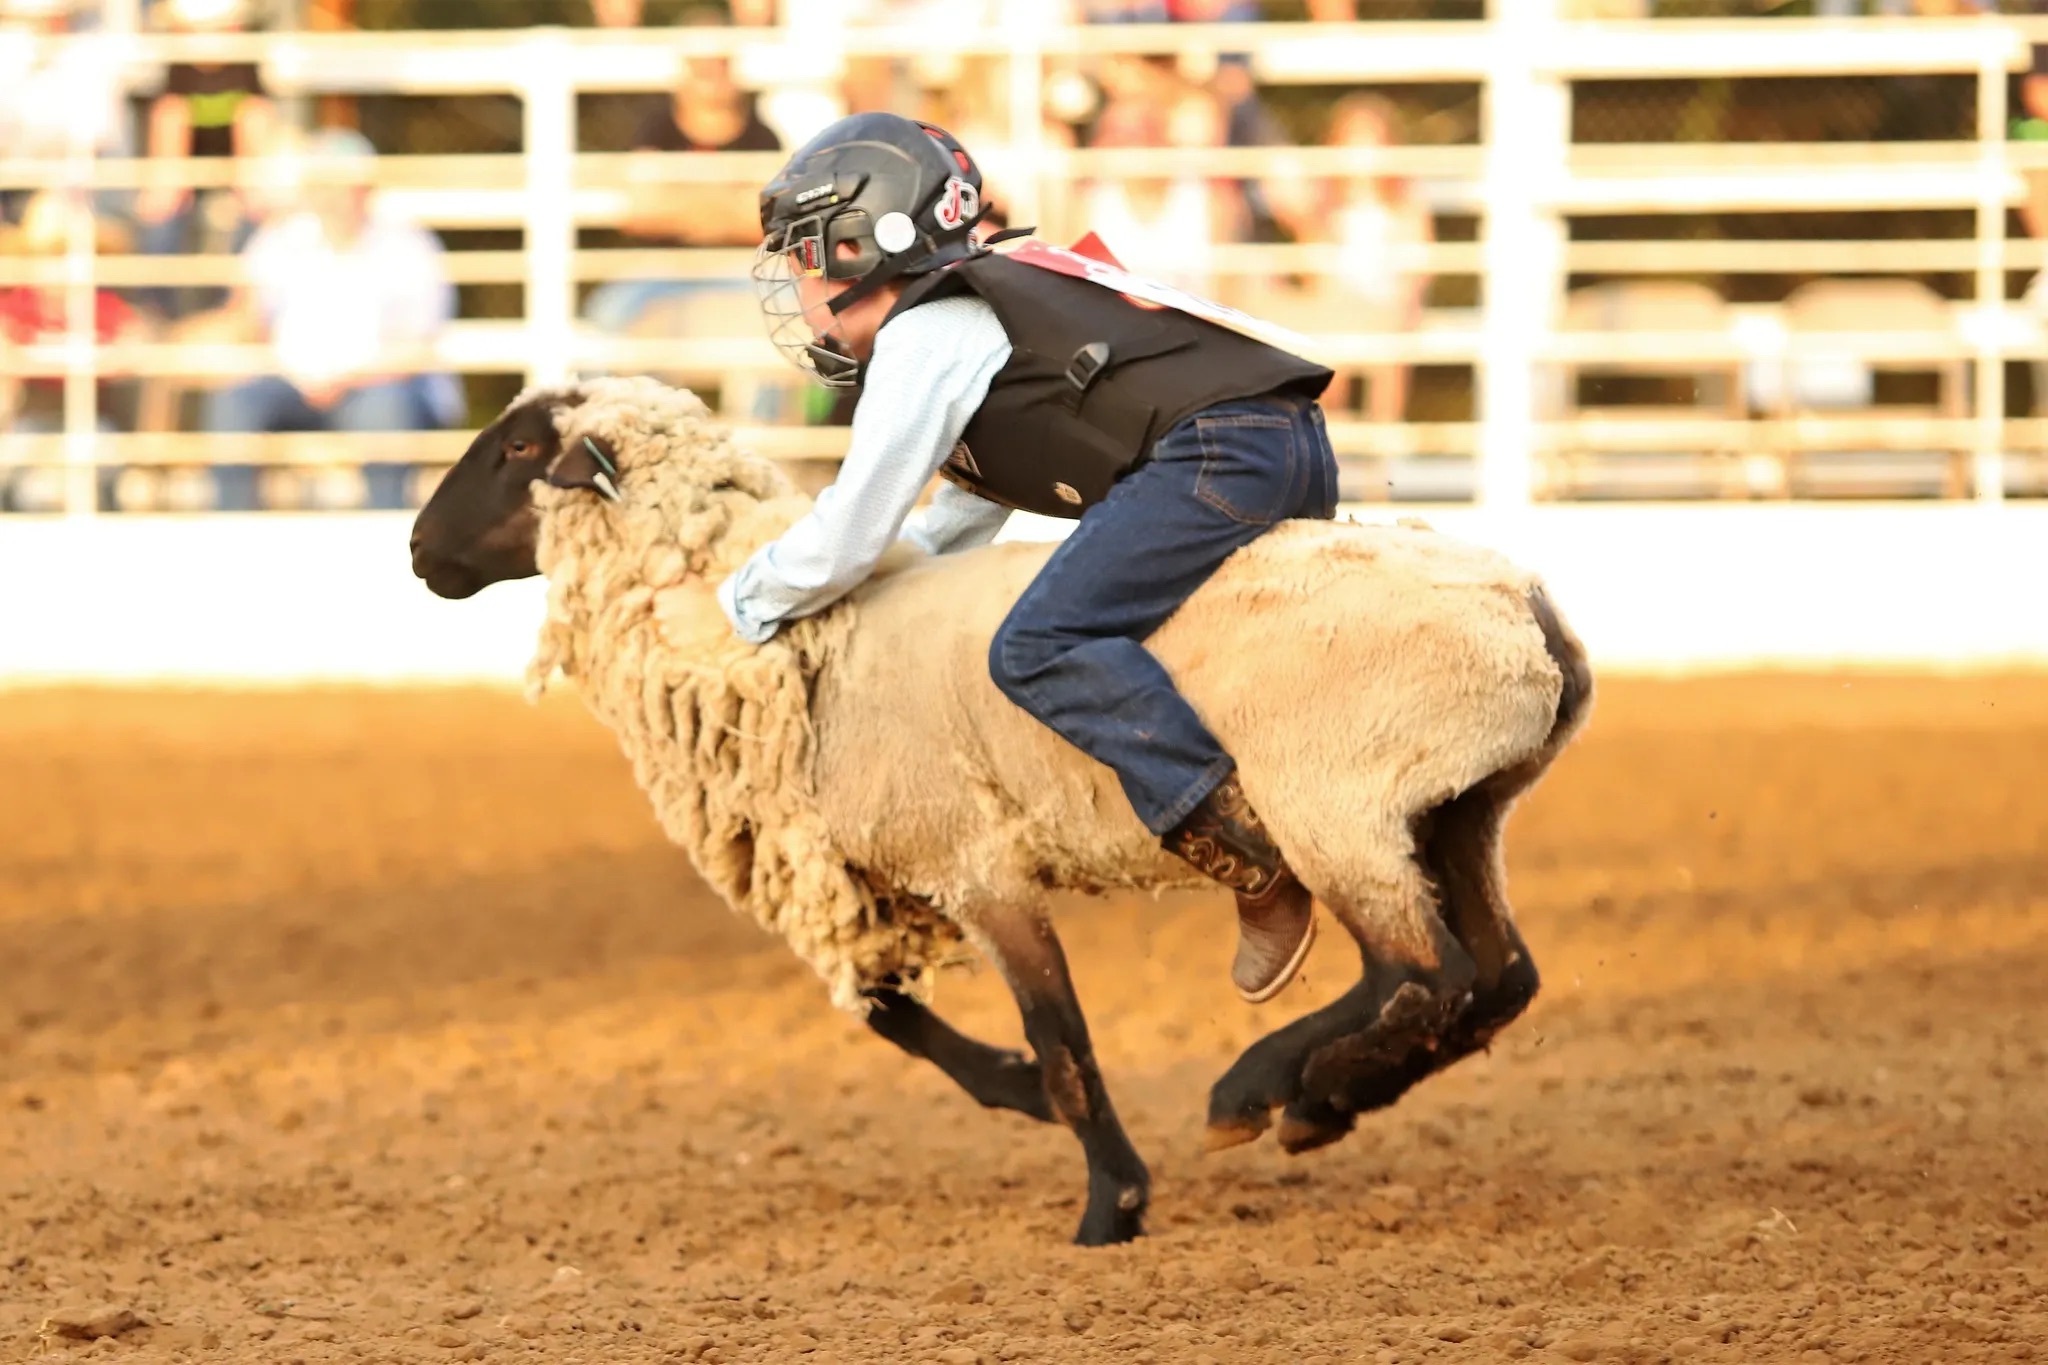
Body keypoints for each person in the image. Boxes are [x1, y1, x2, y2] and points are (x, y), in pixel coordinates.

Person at [722, 112, 1340, 1004]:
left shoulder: (926, 332)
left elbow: (853, 524)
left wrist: (745, 601)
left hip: (1217, 455)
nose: (796, 284)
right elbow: (960, 513)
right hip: (1276, 439)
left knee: (1038, 644)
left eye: (806, 258)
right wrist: (889, 574)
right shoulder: (998, 294)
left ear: (868, 244)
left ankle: (1251, 859)